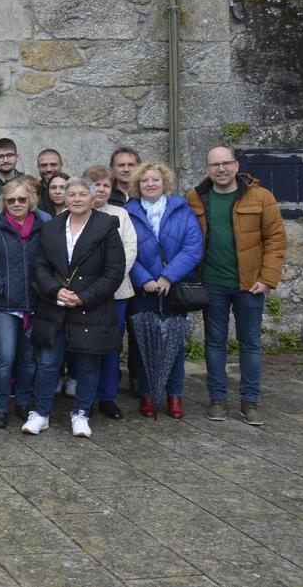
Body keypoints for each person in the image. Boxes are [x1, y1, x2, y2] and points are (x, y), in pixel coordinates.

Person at [186, 146, 286, 425]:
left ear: (236, 165)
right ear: (207, 169)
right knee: (214, 343)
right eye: (215, 165)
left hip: (249, 284)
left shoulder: (261, 197)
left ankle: (250, 402)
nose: (221, 169)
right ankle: (217, 399)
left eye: (226, 163)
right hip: (212, 284)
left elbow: (276, 240)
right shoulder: (196, 197)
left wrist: (267, 279)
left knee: (250, 344)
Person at [22, 177, 125, 439]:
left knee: (88, 364)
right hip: (55, 306)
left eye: (82, 194)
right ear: (64, 198)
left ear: (93, 198)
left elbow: (114, 272)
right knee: (48, 363)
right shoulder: (52, 227)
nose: (76, 199)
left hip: (91, 307)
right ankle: (41, 413)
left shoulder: (106, 227)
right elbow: (40, 267)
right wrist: (55, 291)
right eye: (72, 194)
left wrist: (84, 297)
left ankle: (81, 413)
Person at [125, 162, 203, 419]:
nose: (150, 184)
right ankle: (148, 394)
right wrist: (144, 278)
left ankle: (175, 395)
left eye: (155, 179)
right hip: (143, 289)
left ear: (164, 182)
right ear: (138, 185)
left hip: (174, 288)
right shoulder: (130, 212)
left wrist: (168, 277)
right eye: (145, 180)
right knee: (145, 343)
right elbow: (124, 249)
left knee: (175, 345)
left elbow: (193, 248)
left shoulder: (182, 210)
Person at [0, 179, 51, 427]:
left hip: (35, 302)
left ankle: (23, 402)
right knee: (5, 357)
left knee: (29, 358)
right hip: (4, 304)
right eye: (11, 200)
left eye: (21, 199)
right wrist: (0, 286)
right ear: (4, 203)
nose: (17, 204)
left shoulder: (44, 227)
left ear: (31, 201)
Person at [86, 165, 137, 421]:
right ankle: (87, 395)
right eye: (96, 185)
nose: (101, 190)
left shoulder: (121, 215)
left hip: (116, 293)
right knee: (86, 347)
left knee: (111, 346)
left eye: (106, 185)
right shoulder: (76, 213)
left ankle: (108, 396)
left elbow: (129, 249)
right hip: (85, 293)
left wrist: (109, 280)